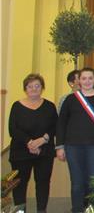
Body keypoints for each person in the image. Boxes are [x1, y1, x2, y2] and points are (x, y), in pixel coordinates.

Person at [56, 67, 94, 213]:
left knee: (93, 181)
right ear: (79, 81)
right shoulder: (71, 99)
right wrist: (60, 146)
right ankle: (76, 209)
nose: (87, 81)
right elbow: (61, 123)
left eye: (90, 78)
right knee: (76, 182)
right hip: (72, 146)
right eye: (83, 78)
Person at [8, 73, 58, 213]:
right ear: (25, 89)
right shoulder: (17, 106)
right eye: (30, 86)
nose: (34, 89)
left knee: (42, 183)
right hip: (21, 151)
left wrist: (42, 140)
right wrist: (30, 142)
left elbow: (55, 126)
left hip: (45, 151)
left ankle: (41, 210)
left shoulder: (49, 106)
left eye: (37, 86)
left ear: (42, 88)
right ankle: (20, 211)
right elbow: (13, 129)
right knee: (19, 184)